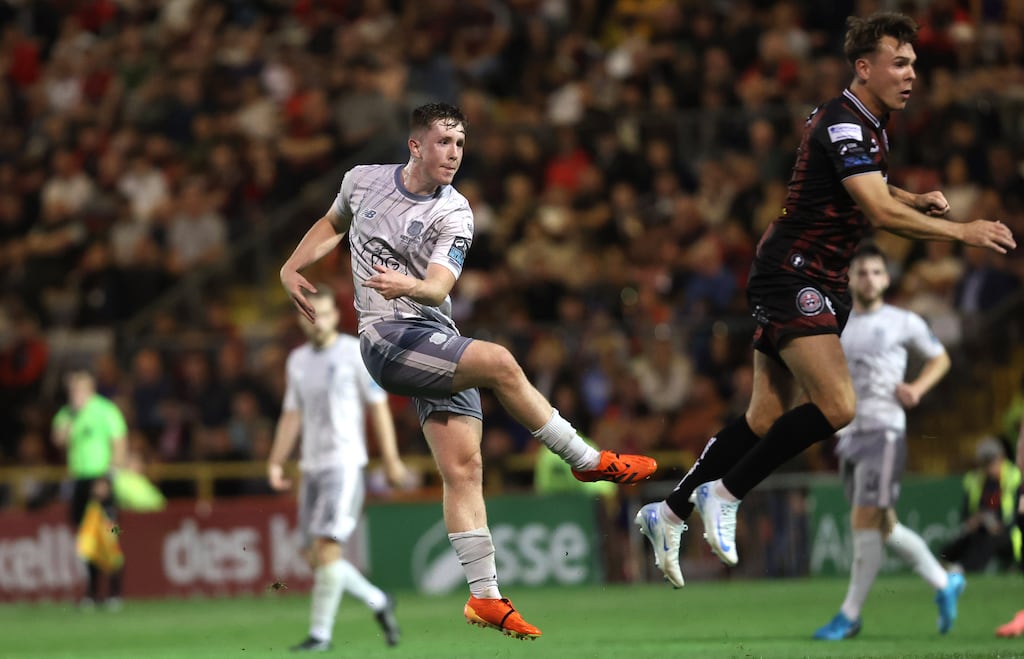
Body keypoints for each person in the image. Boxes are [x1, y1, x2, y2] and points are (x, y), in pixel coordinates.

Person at [635, 11, 1016, 590]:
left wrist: (913, 195)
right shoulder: (845, 122)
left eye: (914, 63)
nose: (911, 74)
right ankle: (725, 493)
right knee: (839, 406)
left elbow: (868, 188)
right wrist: (962, 231)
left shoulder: (868, 123)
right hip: (797, 274)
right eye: (899, 62)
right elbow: (879, 213)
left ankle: (669, 512)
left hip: (811, 275)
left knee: (765, 417)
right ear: (865, 68)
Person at [279, 102, 657, 640]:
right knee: (500, 362)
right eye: (443, 143)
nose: (454, 154)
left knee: (464, 469)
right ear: (416, 146)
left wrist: (404, 285)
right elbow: (332, 222)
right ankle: (586, 459)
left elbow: (437, 287)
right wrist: (292, 266)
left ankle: (484, 597)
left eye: (460, 144)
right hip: (386, 341)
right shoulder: (361, 182)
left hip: (433, 337)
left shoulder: (455, 211)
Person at [812, 242, 961, 640]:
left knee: (864, 519)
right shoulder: (837, 324)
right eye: (862, 272)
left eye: (876, 272)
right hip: (850, 434)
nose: (870, 279)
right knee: (884, 526)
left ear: (887, 278)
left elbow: (940, 357)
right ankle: (944, 582)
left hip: (885, 432)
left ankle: (850, 615)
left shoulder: (903, 320)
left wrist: (918, 388)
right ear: (850, 279)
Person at [267, 285, 407, 651]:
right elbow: (292, 415)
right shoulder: (296, 360)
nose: (321, 321)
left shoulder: (354, 354)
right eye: (314, 314)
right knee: (314, 556)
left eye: (328, 313)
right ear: (303, 318)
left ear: (336, 315)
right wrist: (276, 459)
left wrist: (391, 460)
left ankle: (320, 636)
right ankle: (378, 600)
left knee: (327, 549)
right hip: (311, 466)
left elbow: (378, 406)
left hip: (344, 464)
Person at [51, 370, 128, 610]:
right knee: (85, 538)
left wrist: (109, 476)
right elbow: (58, 441)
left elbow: (119, 443)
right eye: (73, 390)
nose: (76, 394)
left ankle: (115, 592)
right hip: (79, 481)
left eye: (80, 389)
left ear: (90, 390)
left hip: (101, 479)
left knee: (110, 533)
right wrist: (72, 417)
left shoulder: (106, 410)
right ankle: (93, 592)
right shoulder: (67, 414)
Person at [940, 436, 1021, 574]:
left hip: (1010, 536)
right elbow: (966, 512)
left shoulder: (1015, 476)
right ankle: (943, 566)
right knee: (958, 544)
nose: (988, 468)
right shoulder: (975, 479)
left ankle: (962, 569)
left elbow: (1017, 514)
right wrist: (972, 521)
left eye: (991, 462)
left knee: (989, 540)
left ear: (1001, 458)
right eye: (985, 463)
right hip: (981, 530)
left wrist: (1001, 525)